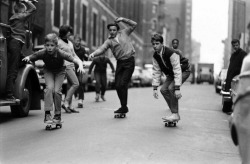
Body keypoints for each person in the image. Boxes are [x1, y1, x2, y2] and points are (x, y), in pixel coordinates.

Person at [22, 33, 85, 123]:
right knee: (49, 89)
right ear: (45, 46)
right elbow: (33, 56)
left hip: (60, 71)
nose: (49, 48)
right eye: (47, 45)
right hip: (49, 71)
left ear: (56, 46)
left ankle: (57, 115)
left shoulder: (61, 53)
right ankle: (47, 114)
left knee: (56, 91)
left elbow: (76, 60)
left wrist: (81, 66)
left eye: (52, 45)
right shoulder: (43, 52)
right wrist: (27, 58)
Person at [89, 17, 137, 114]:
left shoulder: (124, 32)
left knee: (123, 84)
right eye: (110, 30)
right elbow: (102, 49)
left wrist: (123, 19)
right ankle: (123, 106)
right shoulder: (109, 41)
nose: (112, 32)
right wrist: (93, 54)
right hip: (120, 62)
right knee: (117, 85)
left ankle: (124, 106)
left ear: (117, 30)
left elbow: (134, 24)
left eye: (114, 30)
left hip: (129, 61)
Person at [151, 34, 190, 122]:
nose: (155, 46)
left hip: (184, 70)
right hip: (171, 73)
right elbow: (156, 71)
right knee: (163, 90)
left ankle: (175, 114)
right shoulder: (155, 56)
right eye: (153, 44)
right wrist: (155, 88)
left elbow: (177, 69)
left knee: (171, 88)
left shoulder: (170, 52)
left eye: (157, 43)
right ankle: (173, 112)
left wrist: (177, 88)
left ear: (162, 44)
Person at [5, 0, 36, 100]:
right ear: (22, 12)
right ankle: (9, 94)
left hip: (15, 44)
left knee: (25, 61)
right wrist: (26, 1)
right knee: (13, 70)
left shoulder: (15, 18)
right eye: (25, 11)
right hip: (16, 44)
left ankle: (10, 77)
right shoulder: (21, 17)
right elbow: (33, 9)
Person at [58, 25, 81, 113]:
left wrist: (79, 62)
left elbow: (74, 54)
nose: (70, 33)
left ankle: (70, 106)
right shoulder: (58, 42)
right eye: (68, 31)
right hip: (65, 65)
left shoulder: (70, 42)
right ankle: (65, 102)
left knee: (70, 86)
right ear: (64, 32)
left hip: (72, 65)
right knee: (76, 84)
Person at [72, 35, 89, 108]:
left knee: (80, 83)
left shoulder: (82, 49)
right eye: (76, 40)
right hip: (72, 68)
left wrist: (86, 56)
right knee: (73, 83)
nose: (77, 42)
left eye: (78, 41)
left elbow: (86, 59)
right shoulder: (71, 48)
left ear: (80, 41)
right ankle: (69, 100)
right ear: (74, 41)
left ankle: (80, 100)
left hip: (80, 68)